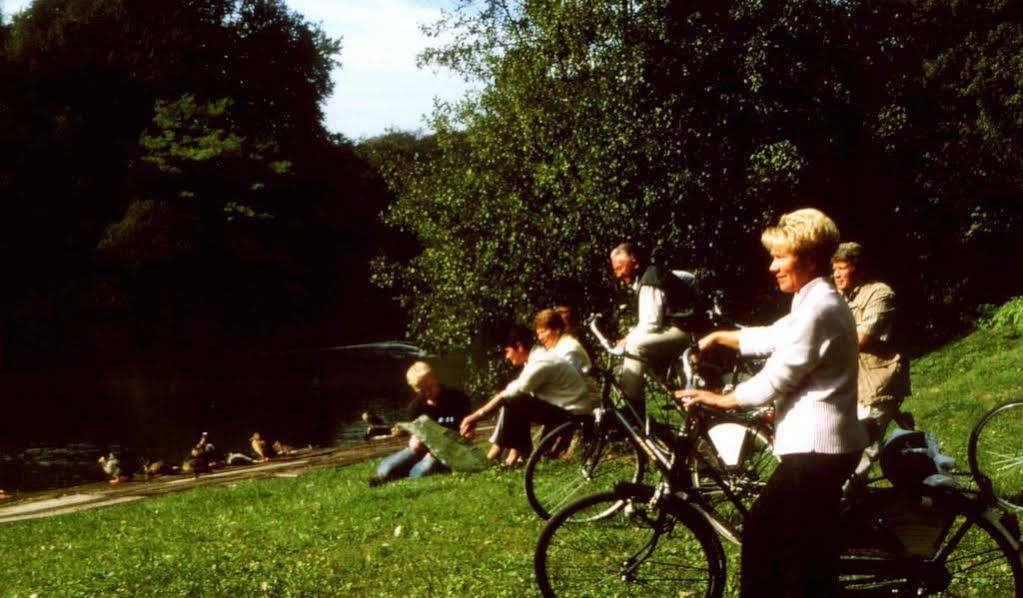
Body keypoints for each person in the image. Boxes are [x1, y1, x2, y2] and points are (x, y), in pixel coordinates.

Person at [676, 208, 867, 597]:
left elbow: (776, 378)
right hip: (819, 447)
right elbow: (774, 336)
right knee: (795, 551)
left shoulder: (819, 308)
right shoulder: (812, 299)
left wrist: (722, 399)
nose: (771, 266)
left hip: (817, 450)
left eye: (781, 257)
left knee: (774, 544)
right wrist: (719, 337)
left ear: (810, 259)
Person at [459, 324, 597, 467]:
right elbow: (512, 389)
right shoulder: (536, 359)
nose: (506, 357)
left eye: (507, 351)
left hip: (574, 414)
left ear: (519, 346)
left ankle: (511, 457)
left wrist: (475, 417)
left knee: (514, 400)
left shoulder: (541, 362)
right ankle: (510, 457)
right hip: (564, 409)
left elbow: (511, 393)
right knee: (514, 401)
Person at [832, 242, 911, 474]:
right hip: (852, 385)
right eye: (834, 268)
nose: (836, 274)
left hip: (878, 384)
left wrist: (820, 344)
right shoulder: (840, 297)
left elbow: (862, 338)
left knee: (861, 452)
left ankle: (845, 502)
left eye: (842, 268)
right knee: (843, 446)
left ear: (860, 268)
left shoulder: (880, 293)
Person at [609, 242, 701, 418]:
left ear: (634, 262)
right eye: (615, 270)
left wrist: (627, 339)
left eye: (620, 267)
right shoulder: (654, 274)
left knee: (635, 346)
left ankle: (632, 409)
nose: (618, 274)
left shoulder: (650, 280)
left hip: (685, 332)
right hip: (684, 329)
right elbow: (690, 277)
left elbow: (651, 324)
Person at [369, 361, 471, 486]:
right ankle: (384, 476)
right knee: (387, 470)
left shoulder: (458, 398)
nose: (427, 392)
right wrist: (416, 440)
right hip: (424, 447)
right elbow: (417, 433)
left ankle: (412, 477)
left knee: (425, 468)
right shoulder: (415, 407)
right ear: (414, 389)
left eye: (429, 387)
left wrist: (441, 450)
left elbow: (468, 432)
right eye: (421, 390)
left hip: (451, 449)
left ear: (434, 378)